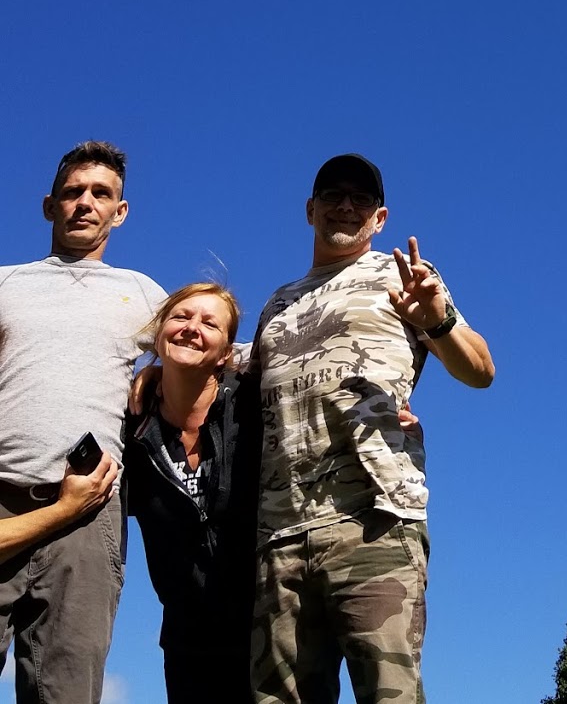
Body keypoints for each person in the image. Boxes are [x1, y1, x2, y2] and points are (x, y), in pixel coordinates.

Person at [250, 153, 494, 704]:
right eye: (333, 195)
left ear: (379, 218)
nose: (346, 206)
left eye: (360, 199)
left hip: (374, 520)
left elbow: (480, 370)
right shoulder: (277, 305)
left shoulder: (401, 276)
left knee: (389, 695)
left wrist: (439, 321)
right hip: (279, 535)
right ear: (310, 210)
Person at [0, 141, 165, 704]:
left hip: (89, 511)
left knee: (66, 688)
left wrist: (158, 370)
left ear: (120, 211)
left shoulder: (140, 292)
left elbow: (212, 351)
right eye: (73, 192)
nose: (84, 203)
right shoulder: (6, 283)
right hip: (1, 496)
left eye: (101, 194)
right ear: (49, 206)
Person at [125, 282, 260, 704]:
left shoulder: (255, 406)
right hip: (187, 639)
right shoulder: (129, 425)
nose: (191, 328)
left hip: (269, 625)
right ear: (159, 331)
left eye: (209, 323)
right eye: (181, 317)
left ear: (227, 351)